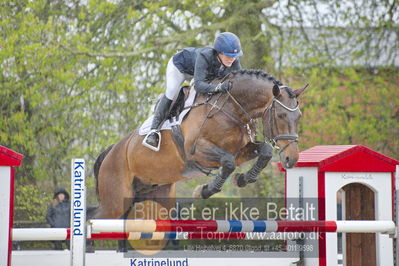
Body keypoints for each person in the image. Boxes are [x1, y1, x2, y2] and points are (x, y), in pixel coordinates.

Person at [142, 32, 243, 151]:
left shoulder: (233, 61)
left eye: (235, 55)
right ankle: (153, 132)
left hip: (201, 73)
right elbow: (199, 85)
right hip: (180, 68)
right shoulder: (205, 56)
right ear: (219, 52)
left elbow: (238, 83)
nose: (232, 59)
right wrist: (219, 88)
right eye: (228, 55)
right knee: (172, 91)